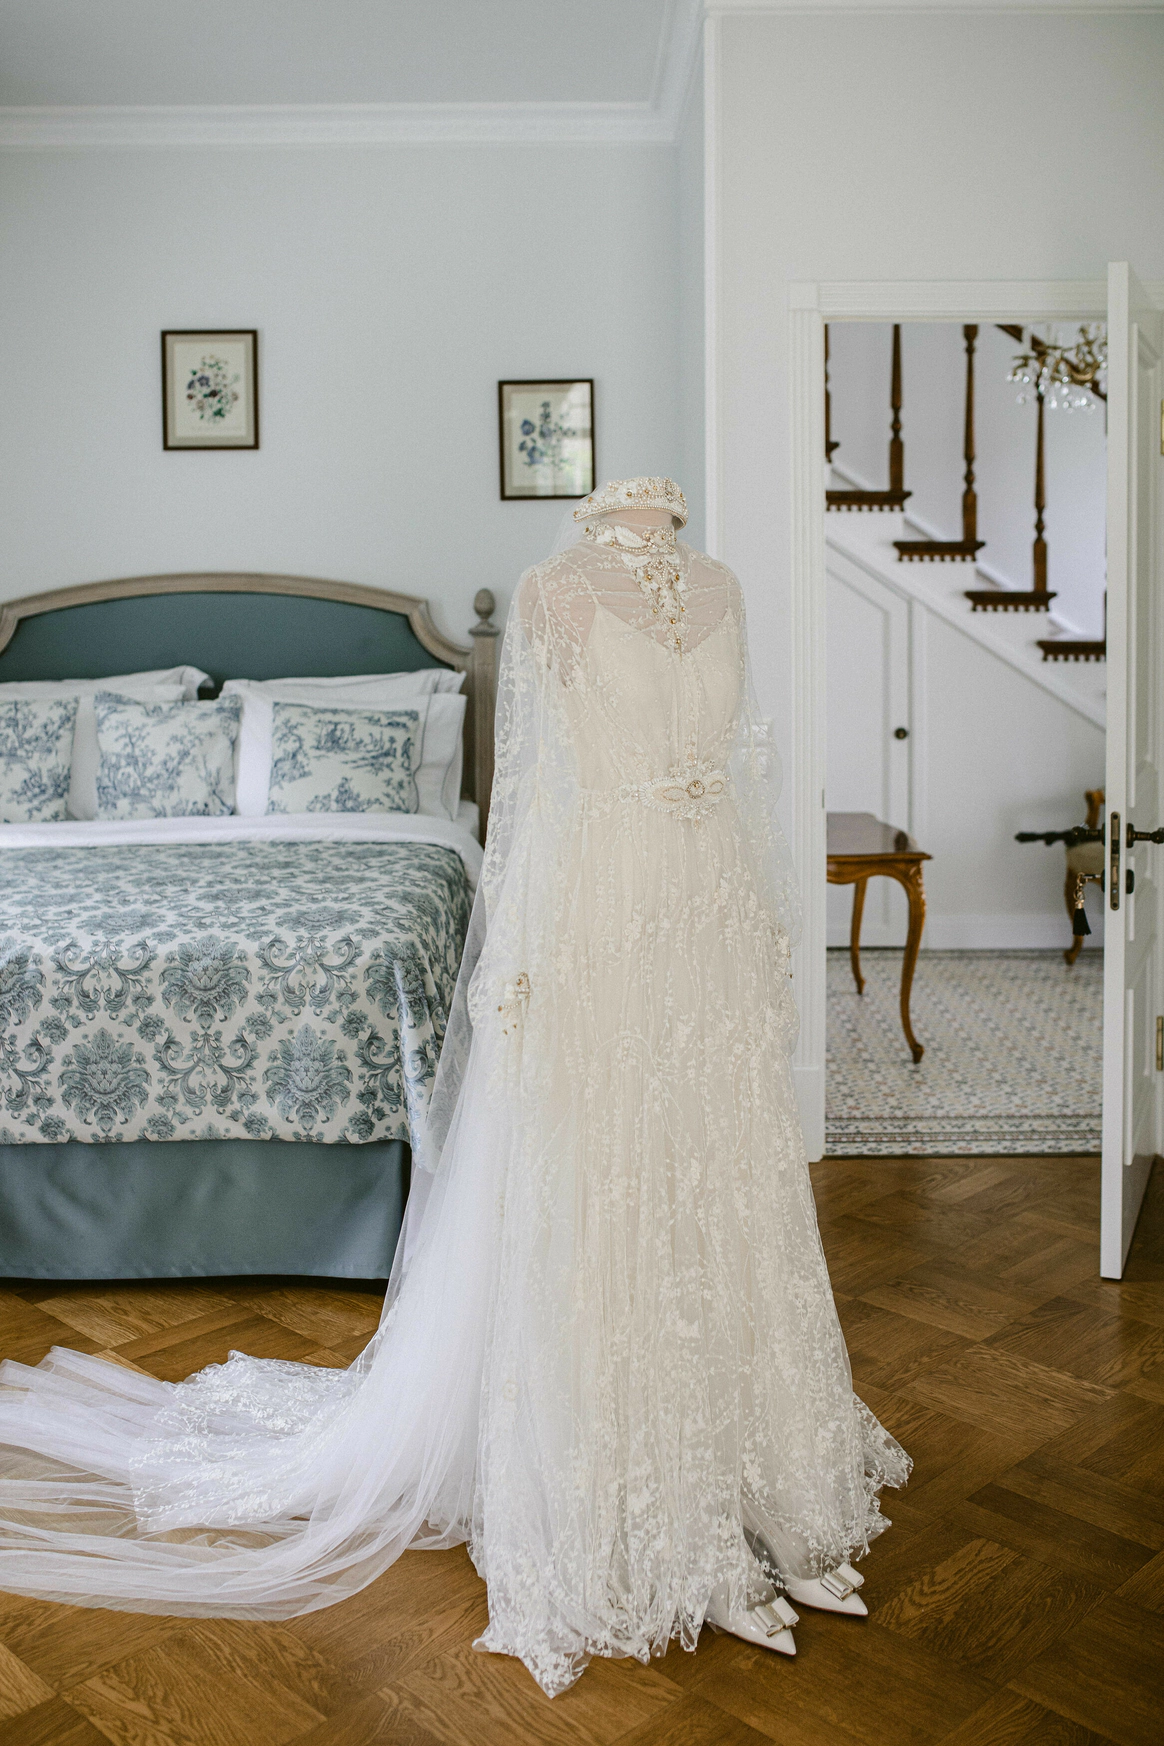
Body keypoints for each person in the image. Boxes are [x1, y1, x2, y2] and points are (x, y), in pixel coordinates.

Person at [0, 478, 908, 1698]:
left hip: (708, 920)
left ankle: (750, 1479)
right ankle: (642, 1503)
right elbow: (530, 797)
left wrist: (766, 932)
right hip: (602, 918)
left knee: (718, 1185)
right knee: (605, 1193)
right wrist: (517, 963)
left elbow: (747, 769)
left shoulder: (723, 584)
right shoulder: (551, 592)